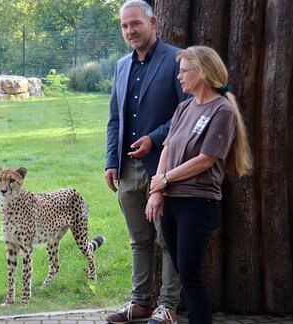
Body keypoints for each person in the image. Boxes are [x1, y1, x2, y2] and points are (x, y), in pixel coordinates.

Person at [145, 45, 253, 324]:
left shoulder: (223, 111)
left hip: (198, 202)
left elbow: (206, 159)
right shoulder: (183, 107)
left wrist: (165, 179)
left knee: (190, 272)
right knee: (183, 269)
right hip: (172, 200)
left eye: (183, 71)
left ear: (202, 72)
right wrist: (157, 190)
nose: (179, 77)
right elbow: (167, 149)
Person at [104, 0, 186, 323]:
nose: (130, 31)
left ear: (153, 23)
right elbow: (114, 118)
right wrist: (111, 161)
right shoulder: (121, 66)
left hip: (164, 168)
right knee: (138, 239)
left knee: (167, 240)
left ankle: (168, 306)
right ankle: (140, 303)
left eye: (135, 24)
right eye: (124, 26)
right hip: (126, 170)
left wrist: (155, 137)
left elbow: (187, 113)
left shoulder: (177, 59)